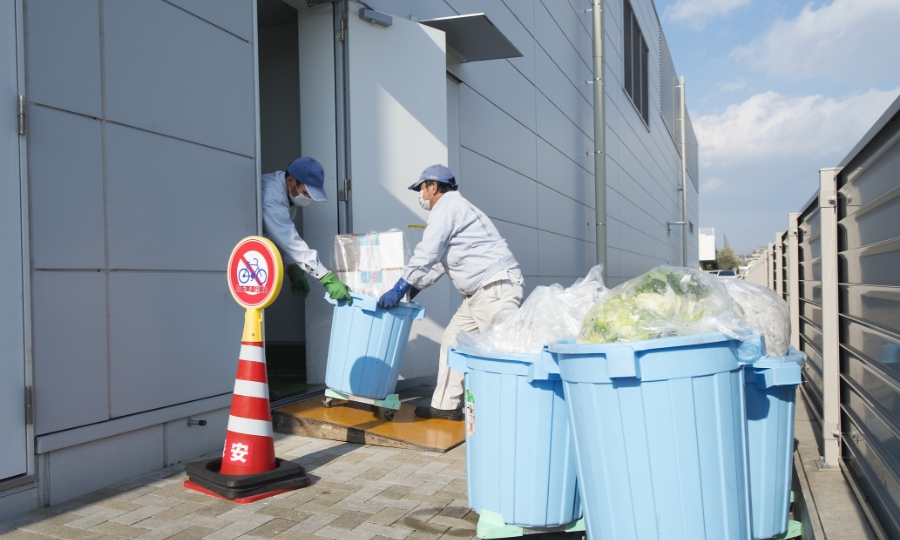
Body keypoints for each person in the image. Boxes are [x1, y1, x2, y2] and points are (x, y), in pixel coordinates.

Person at [378, 164, 524, 420]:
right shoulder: (457, 209)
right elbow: (439, 263)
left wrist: (399, 287)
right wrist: (412, 288)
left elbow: (427, 253)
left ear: (433, 187)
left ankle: (515, 414)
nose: (420, 195)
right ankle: (445, 406)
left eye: (421, 188)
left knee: (504, 351)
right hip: (480, 294)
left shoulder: (445, 208)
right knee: (453, 340)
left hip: (495, 289)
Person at [262, 157, 352, 305]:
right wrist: (325, 278)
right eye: (306, 193)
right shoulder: (273, 199)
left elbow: (281, 233)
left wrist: (293, 268)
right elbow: (289, 240)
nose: (308, 199)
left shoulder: (286, 191)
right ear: (291, 181)